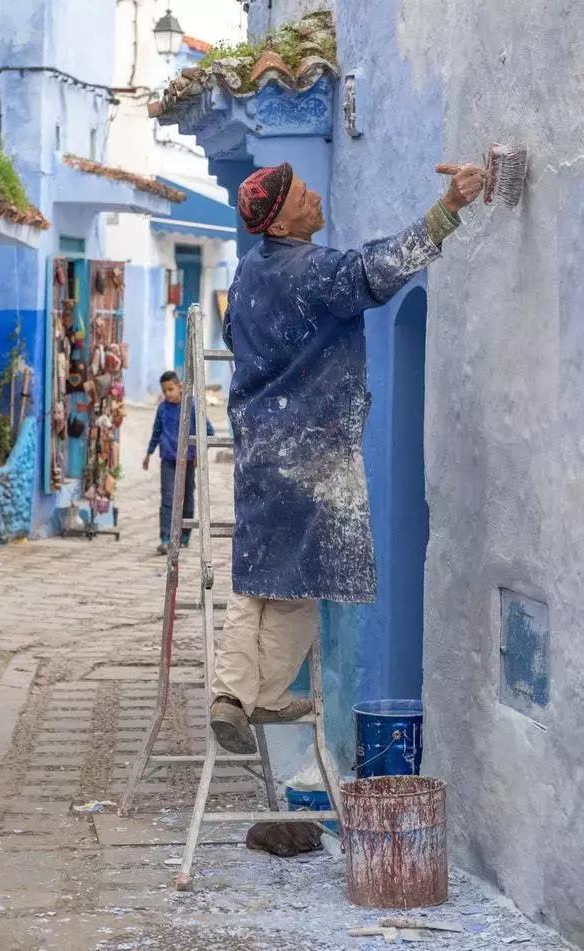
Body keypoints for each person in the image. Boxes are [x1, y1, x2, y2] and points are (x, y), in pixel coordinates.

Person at [209, 160, 485, 755]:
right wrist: (449, 207)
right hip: (311, 453)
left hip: (259, 447)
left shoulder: (249, 272)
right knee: (301, 583)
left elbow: (237, 340)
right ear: (281, 219)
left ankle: (230, 693)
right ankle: (267, 694)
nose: (314, 199)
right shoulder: (310, 271)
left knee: (254, 579)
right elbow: (374, 272)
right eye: (304, 195)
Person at [143, 370, 214, 555]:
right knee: (167, 499)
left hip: (188, 460)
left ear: (179, 386)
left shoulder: (191, 406)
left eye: (170, 389)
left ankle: (184, 536)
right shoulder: (162, 408)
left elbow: (208, 431)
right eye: (164, 391)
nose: (168, 394)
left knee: (187, 499)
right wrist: (149, 453)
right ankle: (165, 538)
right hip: (167, 459)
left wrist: (199, 452)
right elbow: (156, 431)